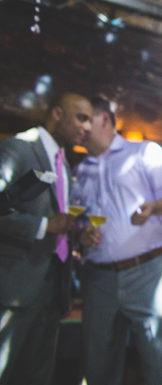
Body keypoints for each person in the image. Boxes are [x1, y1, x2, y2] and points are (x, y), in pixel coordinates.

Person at [75, 95, 162, 385]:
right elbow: (77, 221)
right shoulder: (80, 170)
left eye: (83, 119)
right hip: (98, 279)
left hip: (147, 273)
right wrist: (82, 234)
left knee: (157, 361)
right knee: (97, 364)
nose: (79, 128)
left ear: (104, 119)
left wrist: (154, 207)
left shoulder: (145, 152)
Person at [0, 92, 94, 385]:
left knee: (36, 377)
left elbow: (57, 222)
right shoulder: (19, 148)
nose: (88, 127)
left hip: (53, 287)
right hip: (15, 288)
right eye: (82, 118)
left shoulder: (63, 163)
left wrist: (79, 235)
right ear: (56, 113)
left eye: (90, 120)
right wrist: (43, 225)